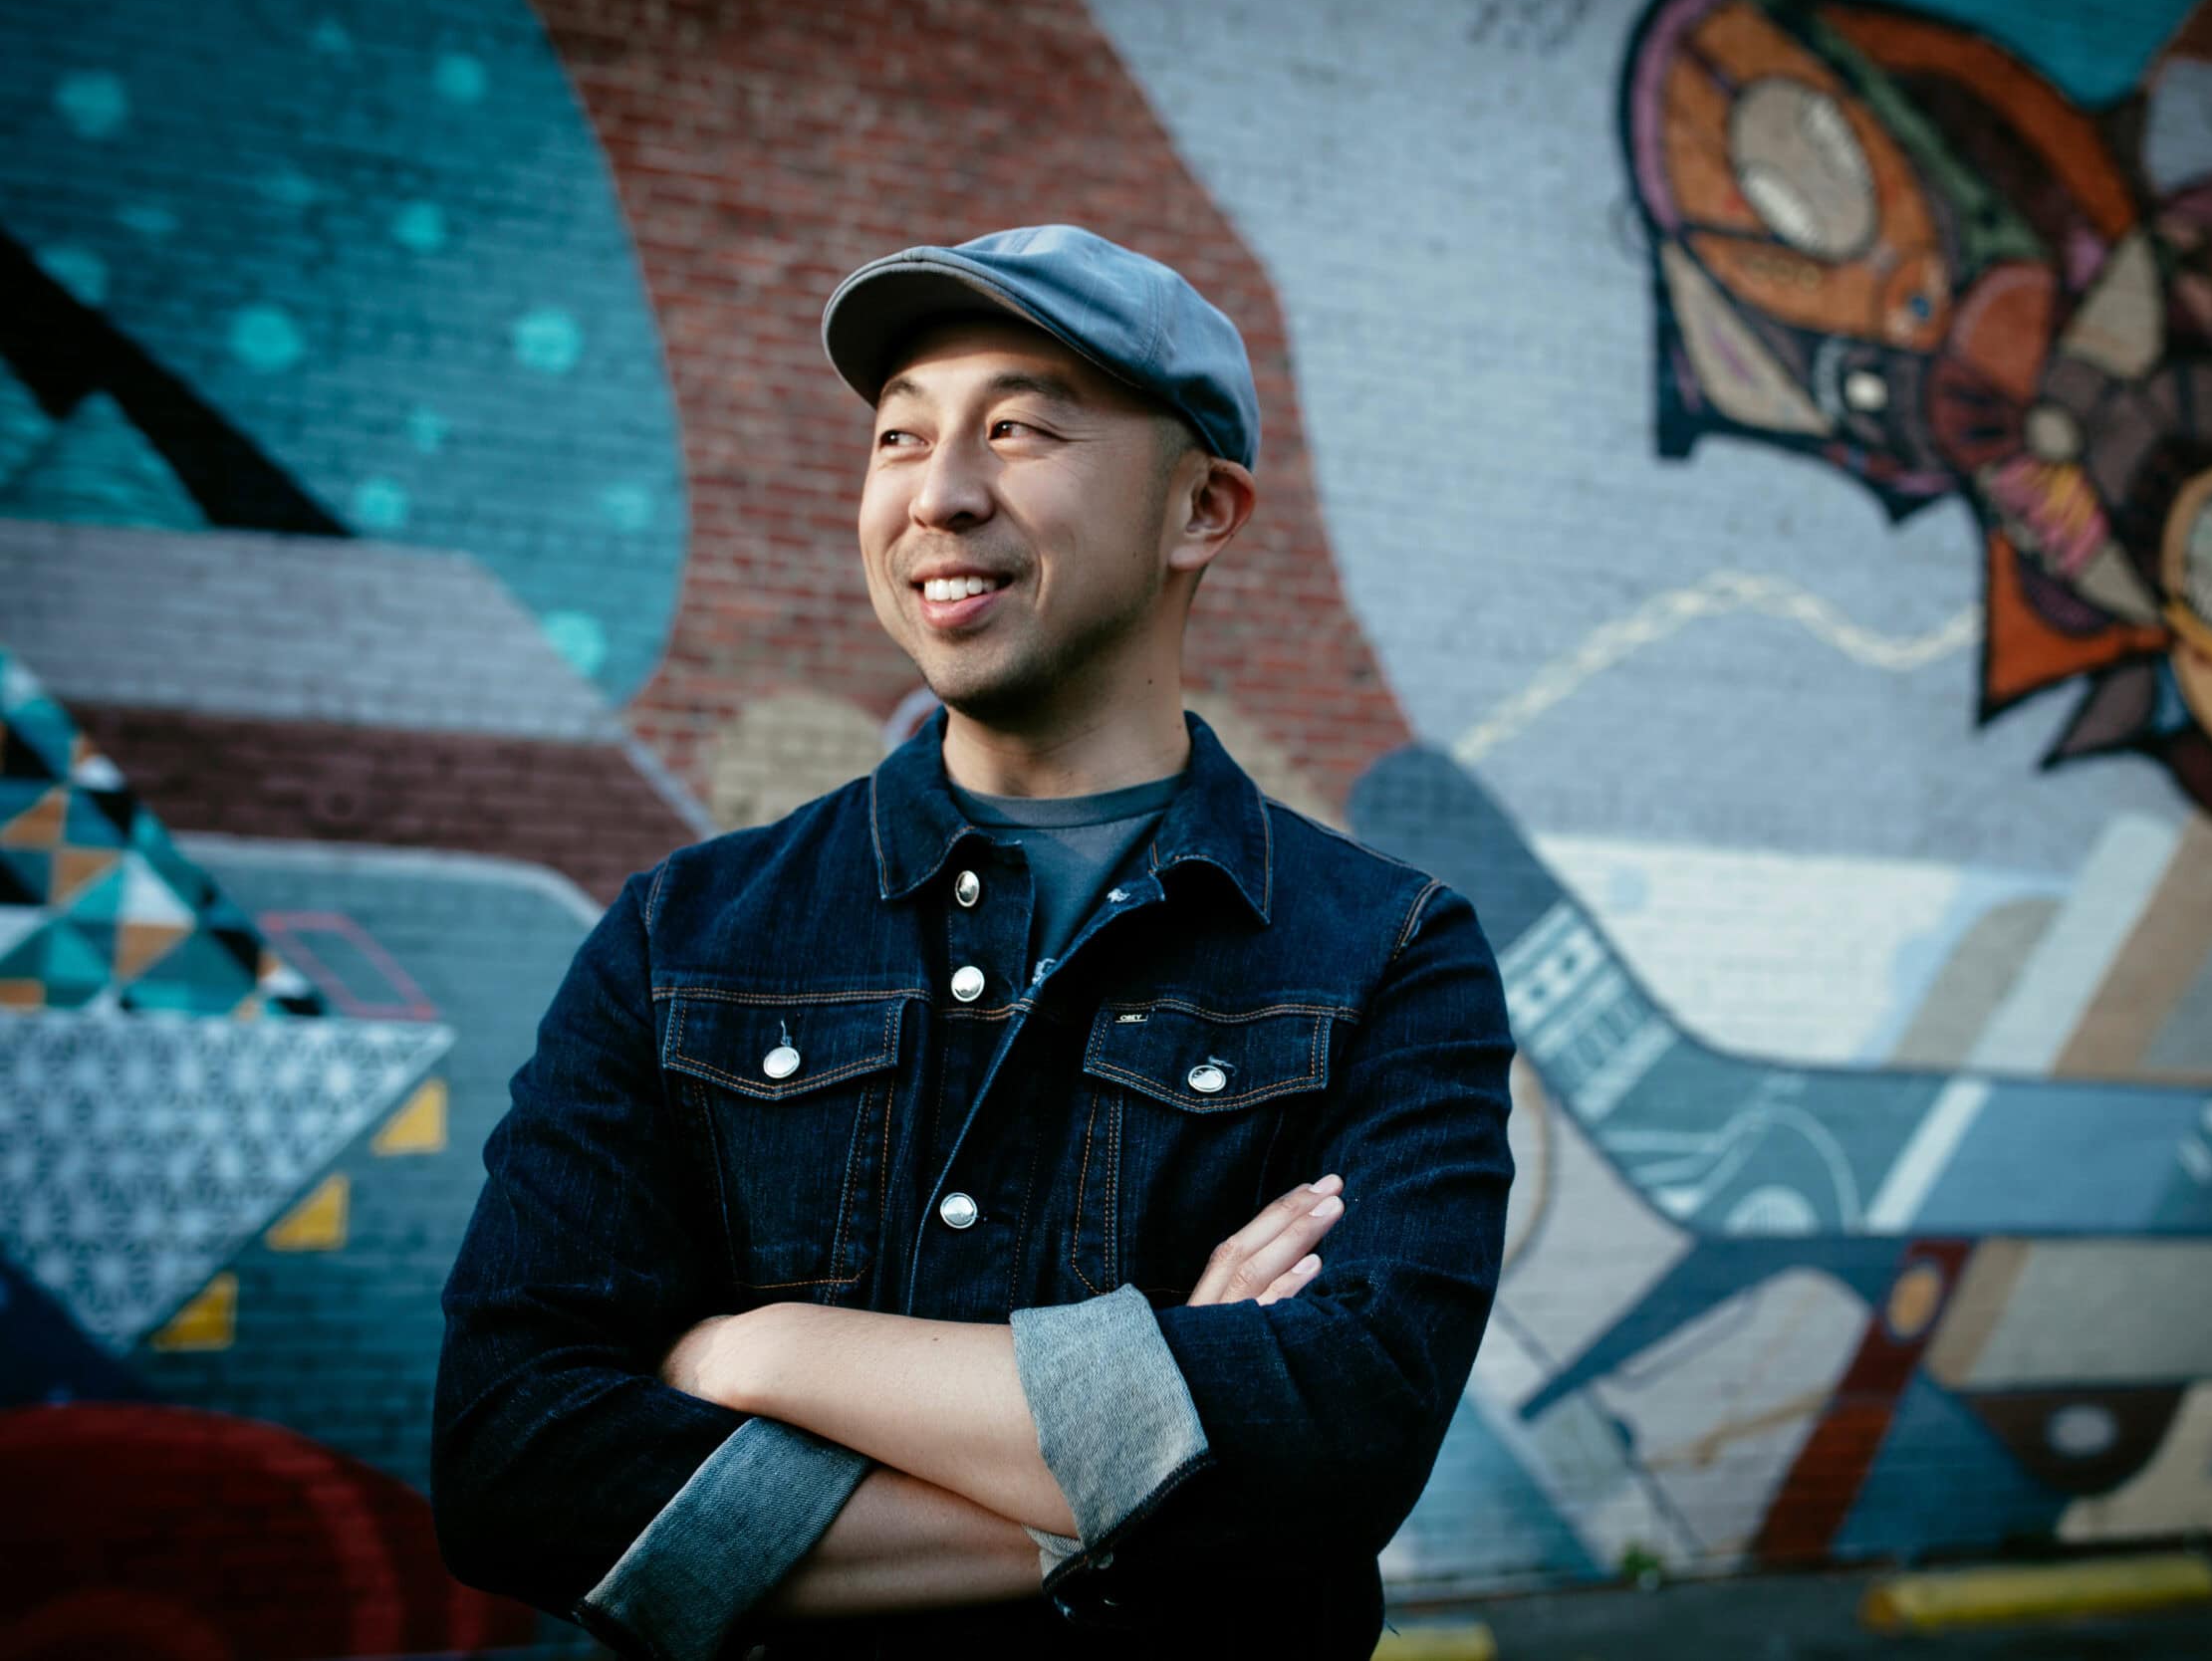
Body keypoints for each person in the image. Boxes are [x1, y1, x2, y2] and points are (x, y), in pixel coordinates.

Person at [430, 224, 1517, 1659]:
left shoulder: (1388, 953)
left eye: (1016, 431)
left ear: (1201, 508)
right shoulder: (680, 937)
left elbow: (1342, 1441)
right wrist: (1153, 1467)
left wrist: (760, 1351)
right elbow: (514, 1462)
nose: (937, 494)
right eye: (899, 437)